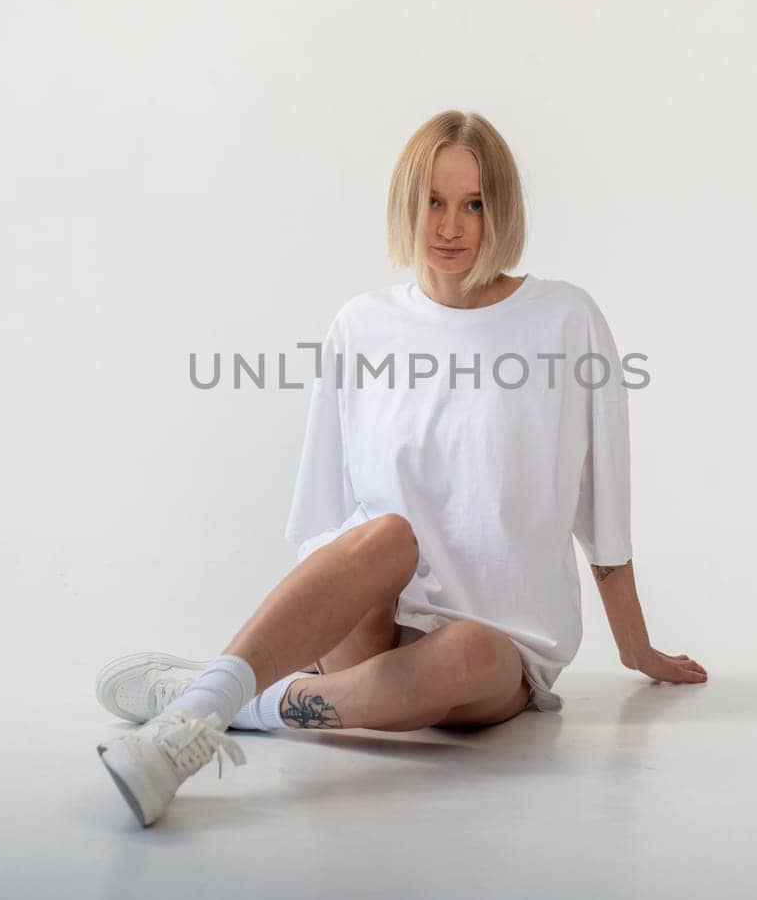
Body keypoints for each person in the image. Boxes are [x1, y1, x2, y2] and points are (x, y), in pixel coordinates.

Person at [95, 110, 707, 828]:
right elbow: (326, 520)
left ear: (500, 209)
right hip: (370, 626)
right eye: (433, 202)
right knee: (384, 533)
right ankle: (189, 727)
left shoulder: (565, 321)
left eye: (474, 204)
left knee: (471, 650)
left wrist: (637, 648)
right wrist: (314, 637)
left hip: (497, 654)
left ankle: (225, 700)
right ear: (406, 206)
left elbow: (602, 505)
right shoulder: (361, 325)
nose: (451, 226)